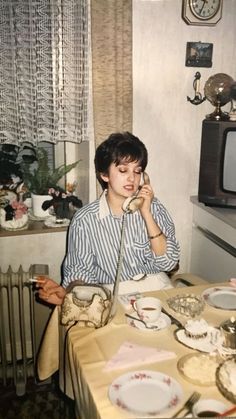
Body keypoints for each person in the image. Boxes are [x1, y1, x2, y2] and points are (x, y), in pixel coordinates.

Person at [37, 132, 180, 305]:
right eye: (122, 170)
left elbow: (169, 262)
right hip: (112, 297)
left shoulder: (153, 207)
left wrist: (146, 213)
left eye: (137, 171)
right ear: (104, 175)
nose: (131, 178)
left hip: (157, 289)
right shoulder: (86, 220)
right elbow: (79, 272)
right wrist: (69, 295)